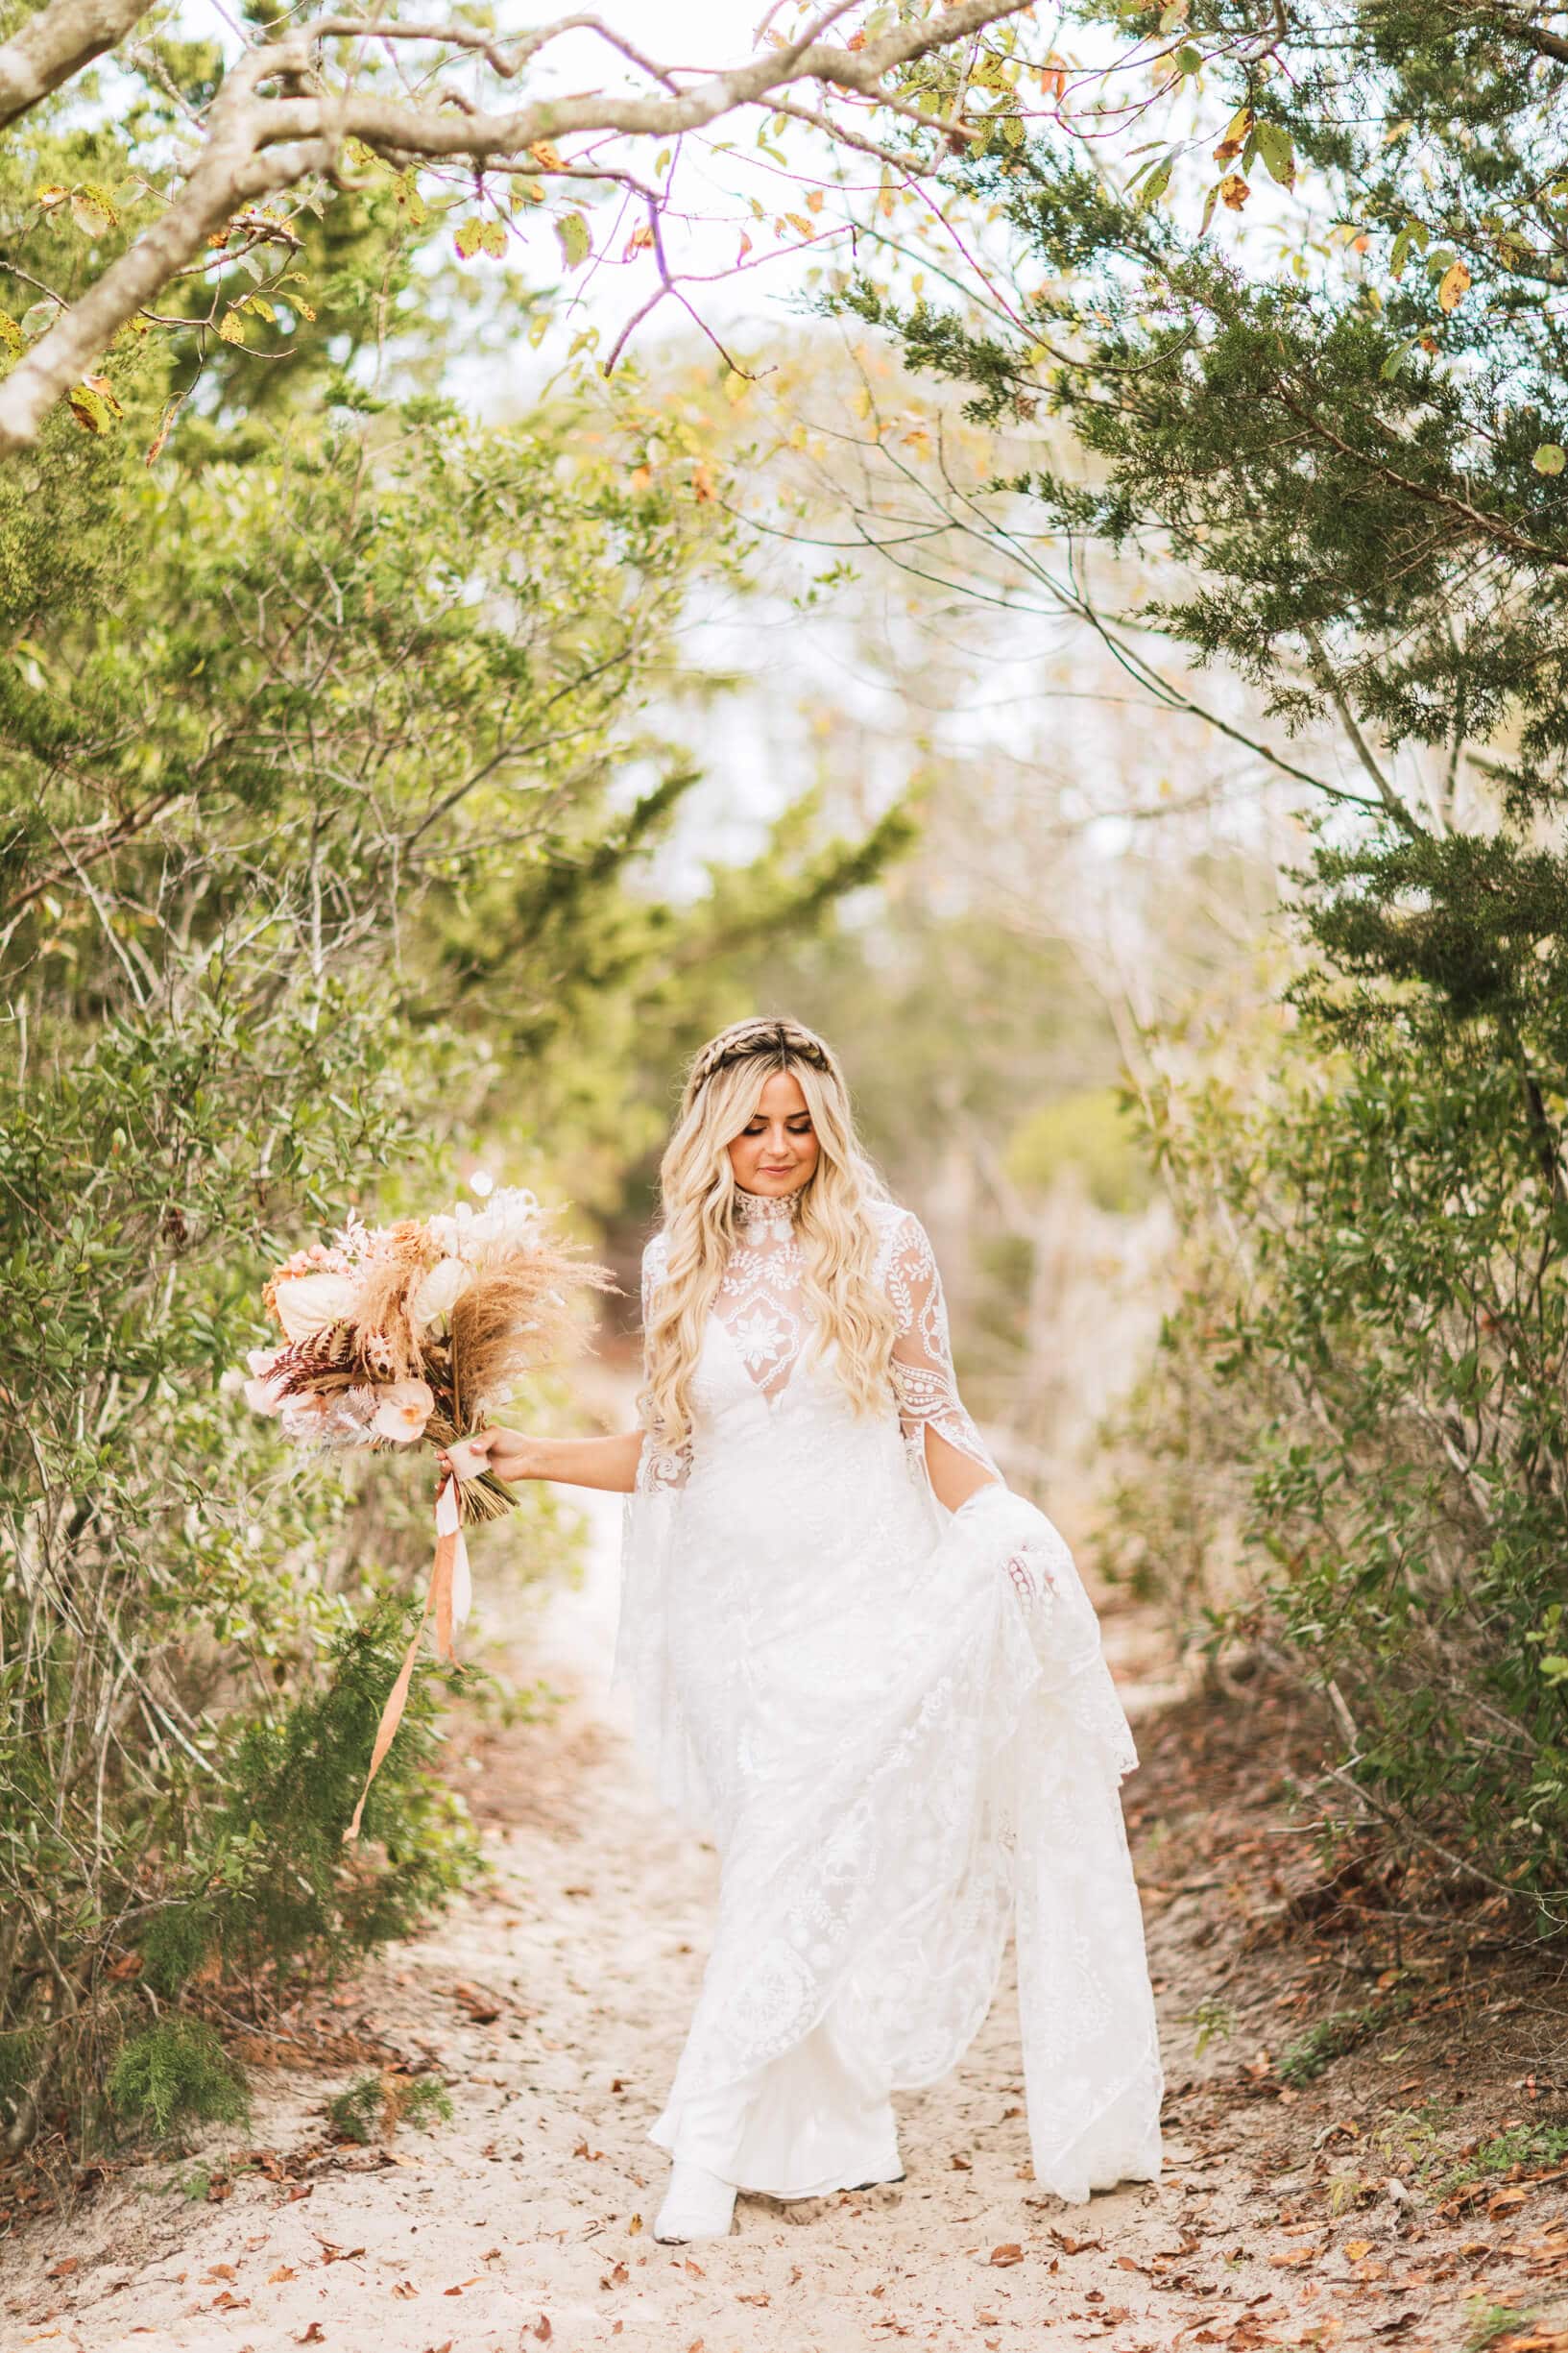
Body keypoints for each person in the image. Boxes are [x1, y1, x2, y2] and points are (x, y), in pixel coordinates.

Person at [443, 1016, 1164, 2244]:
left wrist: (1008, 1524)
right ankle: (829, 2129)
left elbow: (930, 1418)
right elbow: (668, 1454)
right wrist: (529, 1455)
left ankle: (708, 2146)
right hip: (731, 1617)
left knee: (790, 1849)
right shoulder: (680, 1259)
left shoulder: (884, 1246)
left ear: (824, 1125)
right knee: (779, 1859)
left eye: (796, 1123)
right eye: (752, 1123)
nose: (776, 1148)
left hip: (861, 1587)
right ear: (711, 1128)